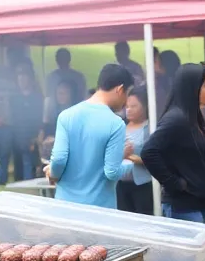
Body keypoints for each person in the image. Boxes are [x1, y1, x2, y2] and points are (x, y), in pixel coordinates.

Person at [45, 64, 129, 208]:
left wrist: (52, 172)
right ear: (120, 89)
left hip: (65, 206)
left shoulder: (66, 116)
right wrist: (132, 166)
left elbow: (59, 160)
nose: (126, 101)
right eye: (127, 94)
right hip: (100, 208)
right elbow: (112, 172)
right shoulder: (116, 124)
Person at [142, 64, 205, 223]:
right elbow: (149, 152)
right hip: (184, 206)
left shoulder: (194, 116)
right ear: (191, 88)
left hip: (203, 202)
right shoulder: (176, 119)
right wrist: (175, 182)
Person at [0, 47, 27, 184]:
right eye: (11, 57)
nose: (13, 60)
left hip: (18, 121)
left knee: (18, 153)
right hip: (1, 121)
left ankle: (19, 182)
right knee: (2, 155)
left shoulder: (20, 73)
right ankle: (0, 181)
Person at [116, 88, 154, 215]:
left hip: (142, 184)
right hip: (121, 183)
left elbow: (152, 158)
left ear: (145, 107)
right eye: (126, 106)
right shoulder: (120, 126)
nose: (129, 110)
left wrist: (129, 156)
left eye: (133, 106)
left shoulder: (150, 128)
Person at [9, 63, 45, 182]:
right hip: (17, 136)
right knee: (19, 166)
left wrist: (35, 137)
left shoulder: (37, 97)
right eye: (19, 78)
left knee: (29, 165)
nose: (21, 81)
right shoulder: (14, 98)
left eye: (24, 78)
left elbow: (39, 118)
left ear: (30, 79)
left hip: (31, 137)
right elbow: (13, 118)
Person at [153, 49, 182, 118]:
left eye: (155, 62)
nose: (153, 65)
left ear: (164, 65)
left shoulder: (165, 84)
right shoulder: (178, 79)